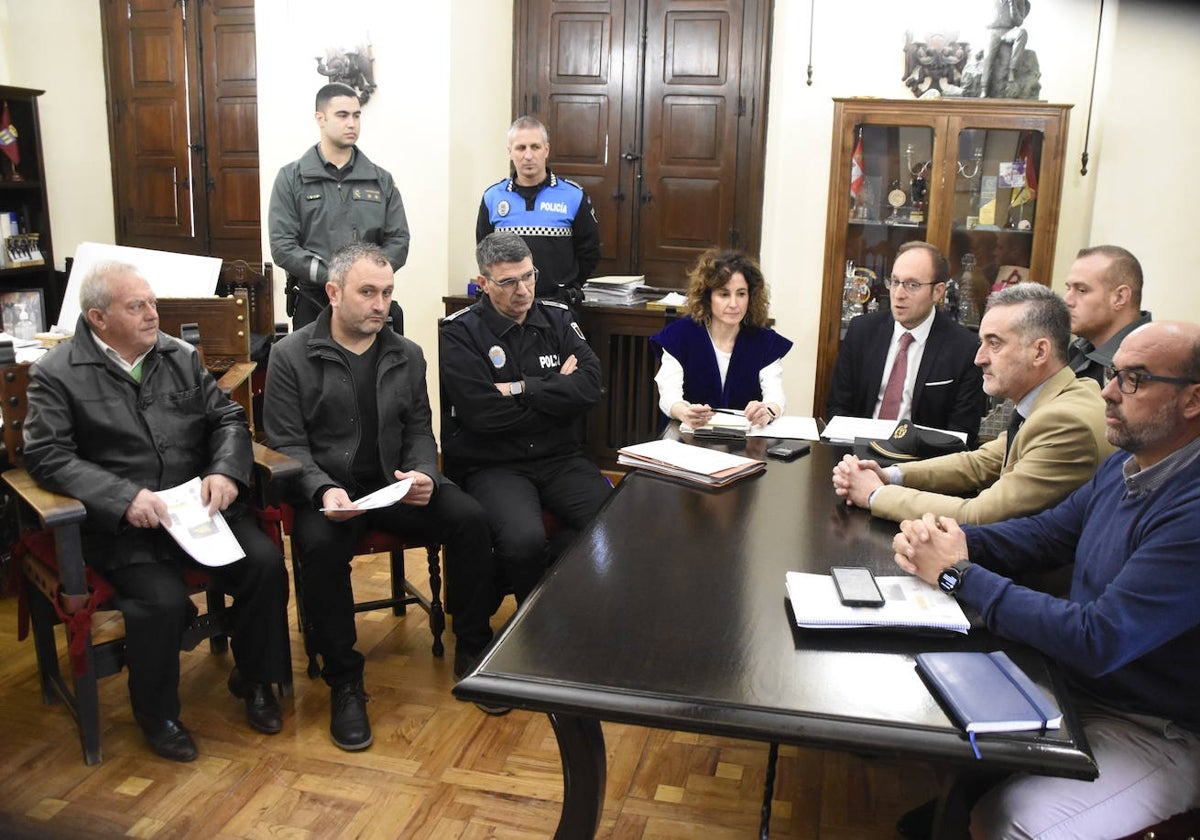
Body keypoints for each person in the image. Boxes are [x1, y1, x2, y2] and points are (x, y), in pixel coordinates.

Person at [892, 320, 1200, 838]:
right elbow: (1045, 536)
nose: (1106, 391)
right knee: (924, 697)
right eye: (1113, 373)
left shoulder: (1191, 511)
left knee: (1014, 822)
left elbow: (1099, 638)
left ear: (1193, 401)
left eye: (1134, 379)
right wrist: (951, 540)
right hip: (1080, 687)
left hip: (1159, 728)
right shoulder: (1126, 464)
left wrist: (955, 575)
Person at [22, 261, 290, 763]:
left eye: (152, 302)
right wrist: (122, 498)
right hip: (124, 525)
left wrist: (227, 471)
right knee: (162, 601)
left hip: (198, 509)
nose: (153, 314)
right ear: (98, 318)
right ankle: (157, 713)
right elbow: (47, 455)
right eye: (136, 306)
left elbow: (227, 418)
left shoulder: (178, 354)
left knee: (264, 565)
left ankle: (255, 681)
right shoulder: (57, 373)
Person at [264, 243, 496, 742]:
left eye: (387, 293)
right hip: (330, 498)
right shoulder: (290, 355)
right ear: (333, 292)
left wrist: (422, 474)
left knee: (470, 518)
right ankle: (345, 681)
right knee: (320, 550)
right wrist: (322, 489)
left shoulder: (406, 354)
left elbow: (419, 429)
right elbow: (286, 443)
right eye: (367, 292)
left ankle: (474, 647)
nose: (380, 304)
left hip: (391, 488)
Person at [439, 232, 611, 635]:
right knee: (524, 541)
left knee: (608, 524)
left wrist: (523, 388)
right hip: (496, 464)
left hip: (560, 457)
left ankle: (558, 613)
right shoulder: (459, 332)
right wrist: (555, 391)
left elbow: (590, 387)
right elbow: (483, 415)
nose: (524, 290)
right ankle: (530, 633)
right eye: (509, 282)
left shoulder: (557, 317)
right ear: (483, 283)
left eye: (529, 276)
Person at [832, 283, 1112, 524]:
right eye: (982, 342)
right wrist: (889, 475)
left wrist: (874, 494)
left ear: (1040, 351)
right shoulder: (1065, 392)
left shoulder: (1064, 423)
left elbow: (980, 516)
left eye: (995, 343)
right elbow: (982, 462)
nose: (979, 358)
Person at [269, 82, 410, 328]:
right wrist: (334, 278)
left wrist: (366, 280)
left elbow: (399, 241)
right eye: (342, 115)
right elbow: (283, 246)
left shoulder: (380, 180)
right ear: (320, 118)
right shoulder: (292, 178)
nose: (352, 123)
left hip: (369, 303)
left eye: (357, 115)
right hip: (313, 301)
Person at [826, 241, 987, 446]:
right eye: (894, 281)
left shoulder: (965, 348)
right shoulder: (862, 332)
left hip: (924, 464)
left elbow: (962, 431)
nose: (899, 294)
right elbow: (838, 407)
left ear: (938, 292)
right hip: (859, 453)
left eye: (912, 285)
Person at [649, 248, 793, 429]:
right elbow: (669, 396)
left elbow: (776, 396)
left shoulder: (764, 341)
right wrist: (684, 412)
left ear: (751, 296)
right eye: (724, 294)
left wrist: (768, 411)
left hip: (745, 442)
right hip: (689, 438)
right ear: (708, 298)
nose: (734, 304)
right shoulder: (680, 335)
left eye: (741, 294)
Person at [476, 116, 601, 306]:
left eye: (535, 147)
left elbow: (590, 251)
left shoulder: (573, 196)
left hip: (558, 306)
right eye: (520, 148)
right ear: (510, 152)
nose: (528, 155)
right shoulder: (492, 197)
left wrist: (568, 287)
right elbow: (484, 252)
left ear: (546, 150)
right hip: (506, 307)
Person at [1064, 245, 1152, 387]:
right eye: (1068, 288)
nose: (1067, 300)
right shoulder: (1078, 348)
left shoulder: (1148, 365)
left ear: (1120, 298)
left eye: (1081, 290)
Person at [980, 0, 1031, 96]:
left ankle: (1012, 70)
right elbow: (984, 22)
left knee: (1022, 32)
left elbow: (1019, 22)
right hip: (993, 31)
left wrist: (1013, 5)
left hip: (1009, 31)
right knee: (988, 56)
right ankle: (984, 88)